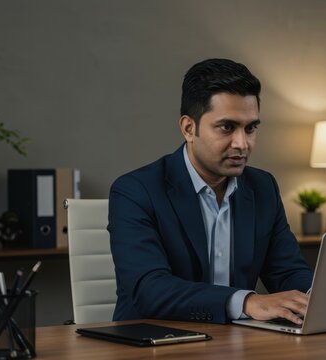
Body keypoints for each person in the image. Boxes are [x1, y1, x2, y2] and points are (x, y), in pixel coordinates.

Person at [108, 58, 313, 325]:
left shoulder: (263, 188)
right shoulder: (135, 191)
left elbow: (287, 272)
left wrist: (316, 297)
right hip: (153, 343)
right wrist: (247, 302)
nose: (242, 143)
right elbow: (149, 289)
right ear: (188, 128)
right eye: (227, 127)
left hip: (237, 343)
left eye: (250, 128)